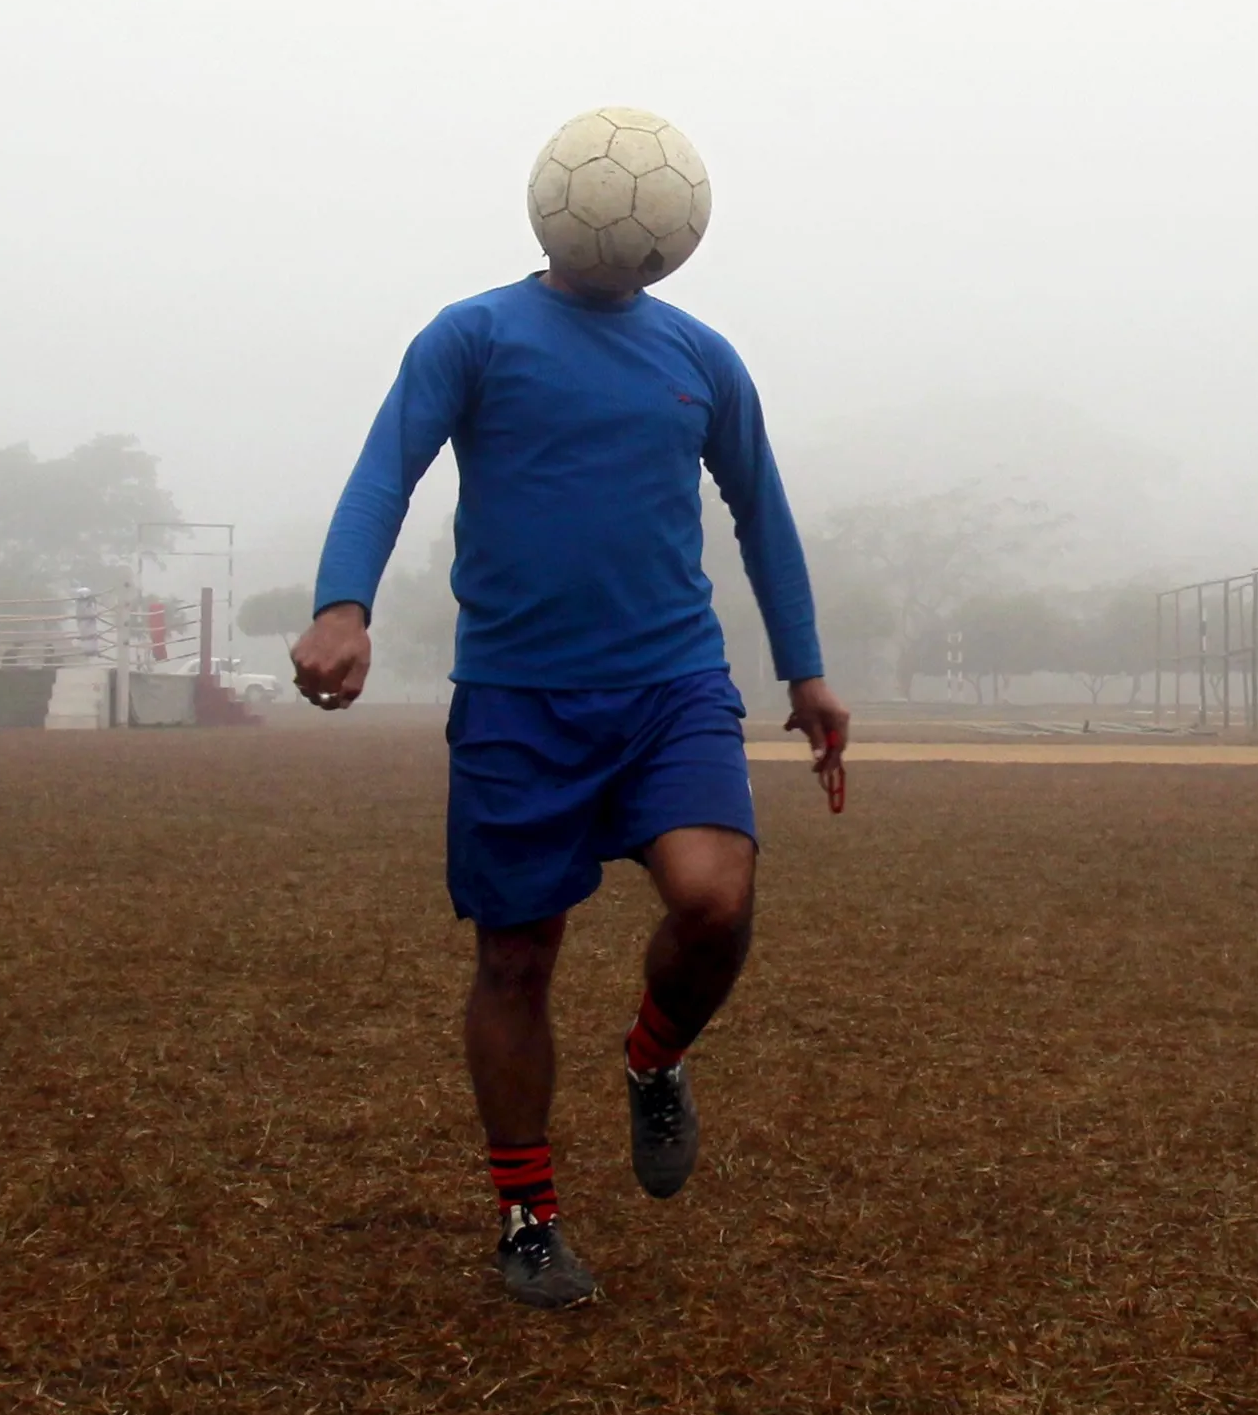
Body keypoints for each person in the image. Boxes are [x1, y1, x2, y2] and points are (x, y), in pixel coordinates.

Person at [292, 188, 848, 1310]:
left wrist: (805, 669)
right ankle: (528, 1214)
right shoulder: (474, 334)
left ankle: (653, 1057)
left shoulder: (702, 357)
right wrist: (343, 603)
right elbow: (384, 469)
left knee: (714, 897)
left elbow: (761, 509)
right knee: (515, 960)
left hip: (671, 684)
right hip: (517, 696)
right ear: (549, 207)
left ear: (668, 233)